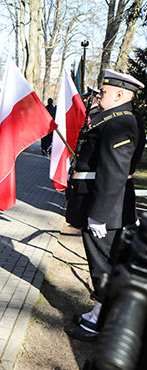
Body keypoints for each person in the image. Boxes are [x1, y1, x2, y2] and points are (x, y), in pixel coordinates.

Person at [65, 69, 146, 341]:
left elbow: (113, 173)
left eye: (105, 91)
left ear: (121, 94)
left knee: (104, 266)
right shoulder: (114, 119)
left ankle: (102, 321)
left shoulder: (121, 123)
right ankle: (99, 311)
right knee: (102, 264)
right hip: (100, 204)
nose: (100, 95)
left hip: (105, 209)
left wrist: (98, 215)